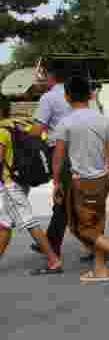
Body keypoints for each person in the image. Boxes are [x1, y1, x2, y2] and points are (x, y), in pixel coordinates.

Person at [50, 76, 109, 283]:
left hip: (81, 183)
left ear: (67, 97)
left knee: (81, 228)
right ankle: (100, 270)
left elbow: (58, 159)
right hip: (103, 181)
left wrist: (57, 183)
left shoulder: (65, 123)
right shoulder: (103, 120)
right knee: (97, 224)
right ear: (90, 95)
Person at [0, 94, 63, 274]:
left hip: (10, 183)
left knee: (29, 222)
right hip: (22, 180)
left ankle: (53, 260)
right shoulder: (20, 124)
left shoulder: (1, 131)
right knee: (4, 223)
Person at [28, 64, 84, 262]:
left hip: (62, 152)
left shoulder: (49, 98)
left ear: (50, 76)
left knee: (63, 200)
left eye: (42, 75)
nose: (41, 79)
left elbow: (38, 129)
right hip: (83, 150)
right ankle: (53, 243)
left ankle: (101, 247)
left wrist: (24, 135)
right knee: (73, 201)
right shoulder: (79, 94)